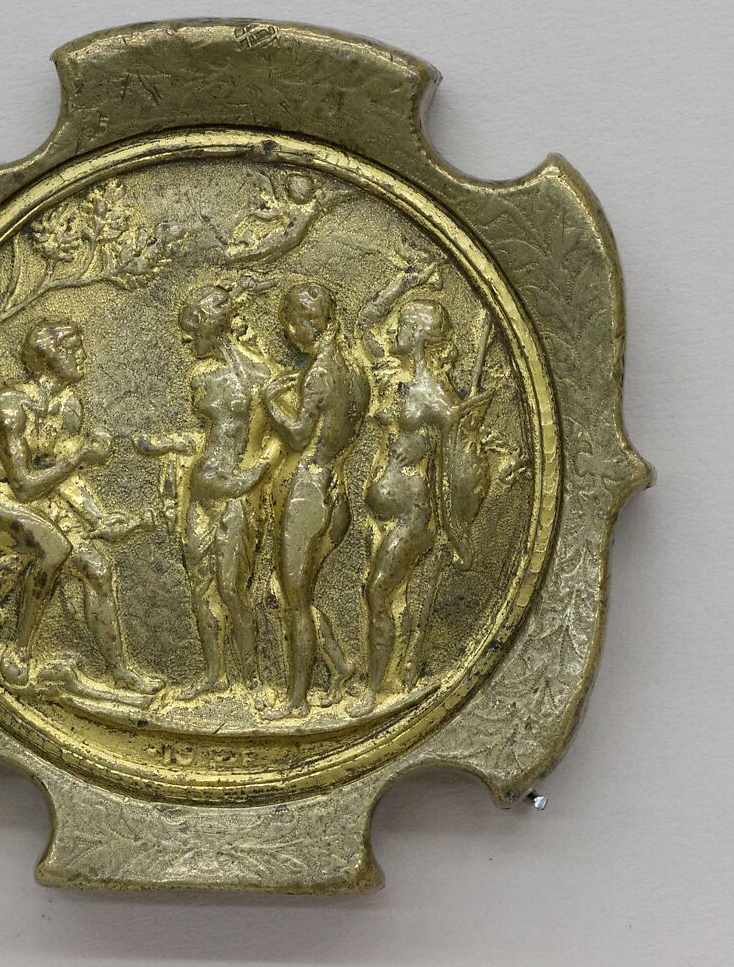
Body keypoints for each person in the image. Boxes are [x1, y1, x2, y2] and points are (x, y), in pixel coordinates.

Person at [0, 316, 161, 694]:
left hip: (41, 497)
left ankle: (120, 671)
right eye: (73, 350)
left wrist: (97, 515)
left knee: (98, 568)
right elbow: (23, 486)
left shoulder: (67, 405)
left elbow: (59, 473)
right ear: (48, 358)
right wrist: (81, 456)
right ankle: (20, 650)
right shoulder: (11, 406)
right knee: (54, 548)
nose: (83, 356)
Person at [349, 269, 491, 717]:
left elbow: (459, 470)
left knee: (378, 594)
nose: (395, 330)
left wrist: (456, 527)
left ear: (421, 338)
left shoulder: (439, 400)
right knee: (388, 597)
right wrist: (406, 281)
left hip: (413, 516)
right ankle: (391, 675)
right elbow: (365, 323)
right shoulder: (398, 376)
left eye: (404, 326)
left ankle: (376, 690)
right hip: (385, 513)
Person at [134, 285, 275, 700]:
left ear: (210, 326)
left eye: (190, 329)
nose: (185, 339)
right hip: (201, 490)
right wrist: (169, 445)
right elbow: (208, 437)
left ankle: (252, 679)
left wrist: (255, 474)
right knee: (201, 589)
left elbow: (279, 436)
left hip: (237, 492)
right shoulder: (200, 377)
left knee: (232, 589)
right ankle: (215, 674)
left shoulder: (263, 375)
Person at [259, 282, 368, 718]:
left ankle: (296, 700)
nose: (288, 333)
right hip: (336, 489)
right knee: (290, 592)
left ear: (307, 323)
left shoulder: (320, 373)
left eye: (290, 323)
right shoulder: (355, 371)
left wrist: (270, 403)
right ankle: (341, 667)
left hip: (308, 489)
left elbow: (299, 436)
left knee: (294, 601)